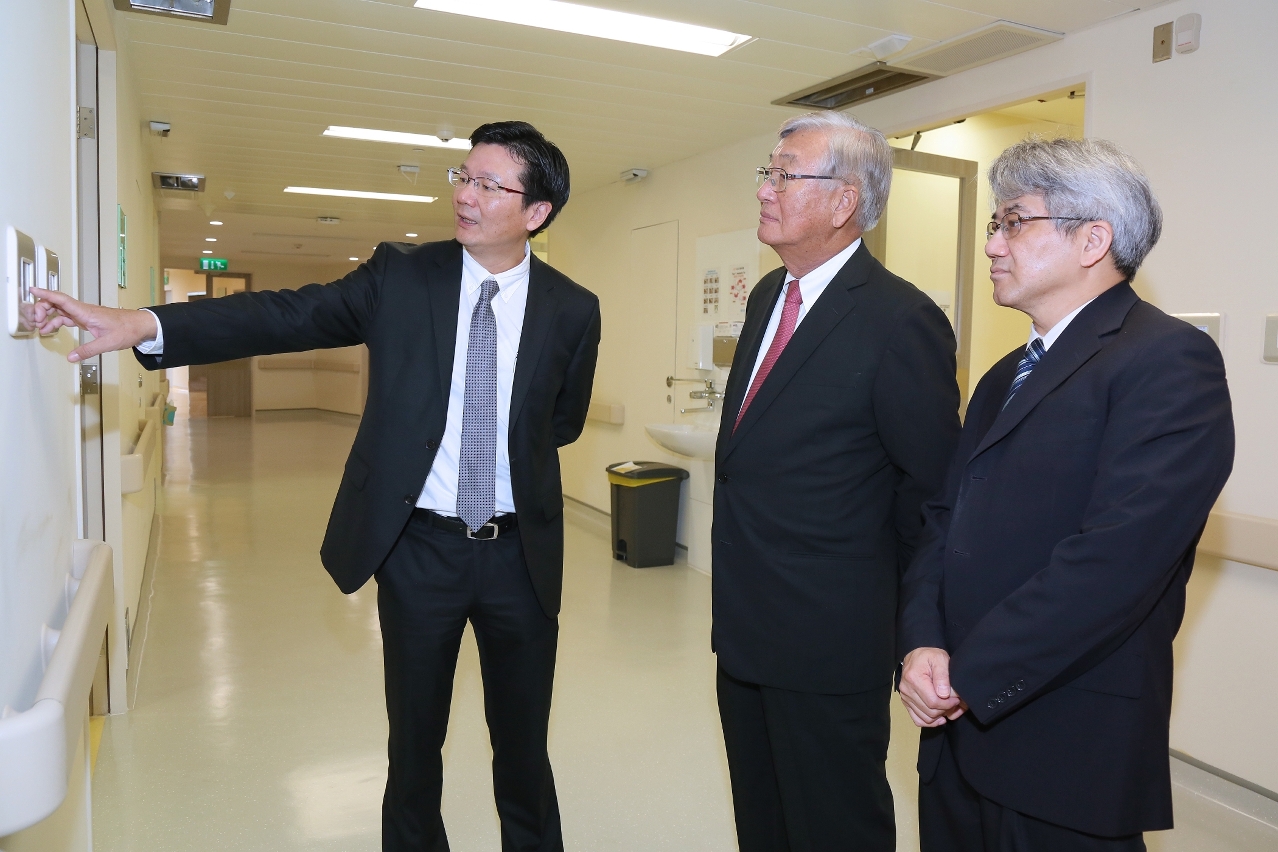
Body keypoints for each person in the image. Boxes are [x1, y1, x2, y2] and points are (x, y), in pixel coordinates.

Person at [34, 120, 600, 852]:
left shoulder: (571, 307)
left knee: (523, 749)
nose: (465, 194)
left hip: (521, 559)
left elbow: (561, 421)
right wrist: (141, 321)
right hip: (420, 551)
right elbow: (283, 313)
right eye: (463, 176)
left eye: (488, 184)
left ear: (536, 212)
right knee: (414, 745)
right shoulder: (401, 277)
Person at [897, 137, 1234, 851]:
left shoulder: (1168, 360)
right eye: (994, 224)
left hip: (1064, 735)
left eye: (1013, 221)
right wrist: (922, 642)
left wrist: (970, 670)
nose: (992, 243)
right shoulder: (1003, 375)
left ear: (1092, 240)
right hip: (957, 730)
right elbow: (944, 521)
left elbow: (1119, 557)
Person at [712, 111, 962, 852]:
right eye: (769, 170)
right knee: (763, 818)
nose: (765, 188)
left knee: (834, 824)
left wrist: (914, 629)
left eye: (785, 174)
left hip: (829, 640)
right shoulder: (767, 296)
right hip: (747, 627)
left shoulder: (900, 320)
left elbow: (931, 491)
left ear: (843, 200)